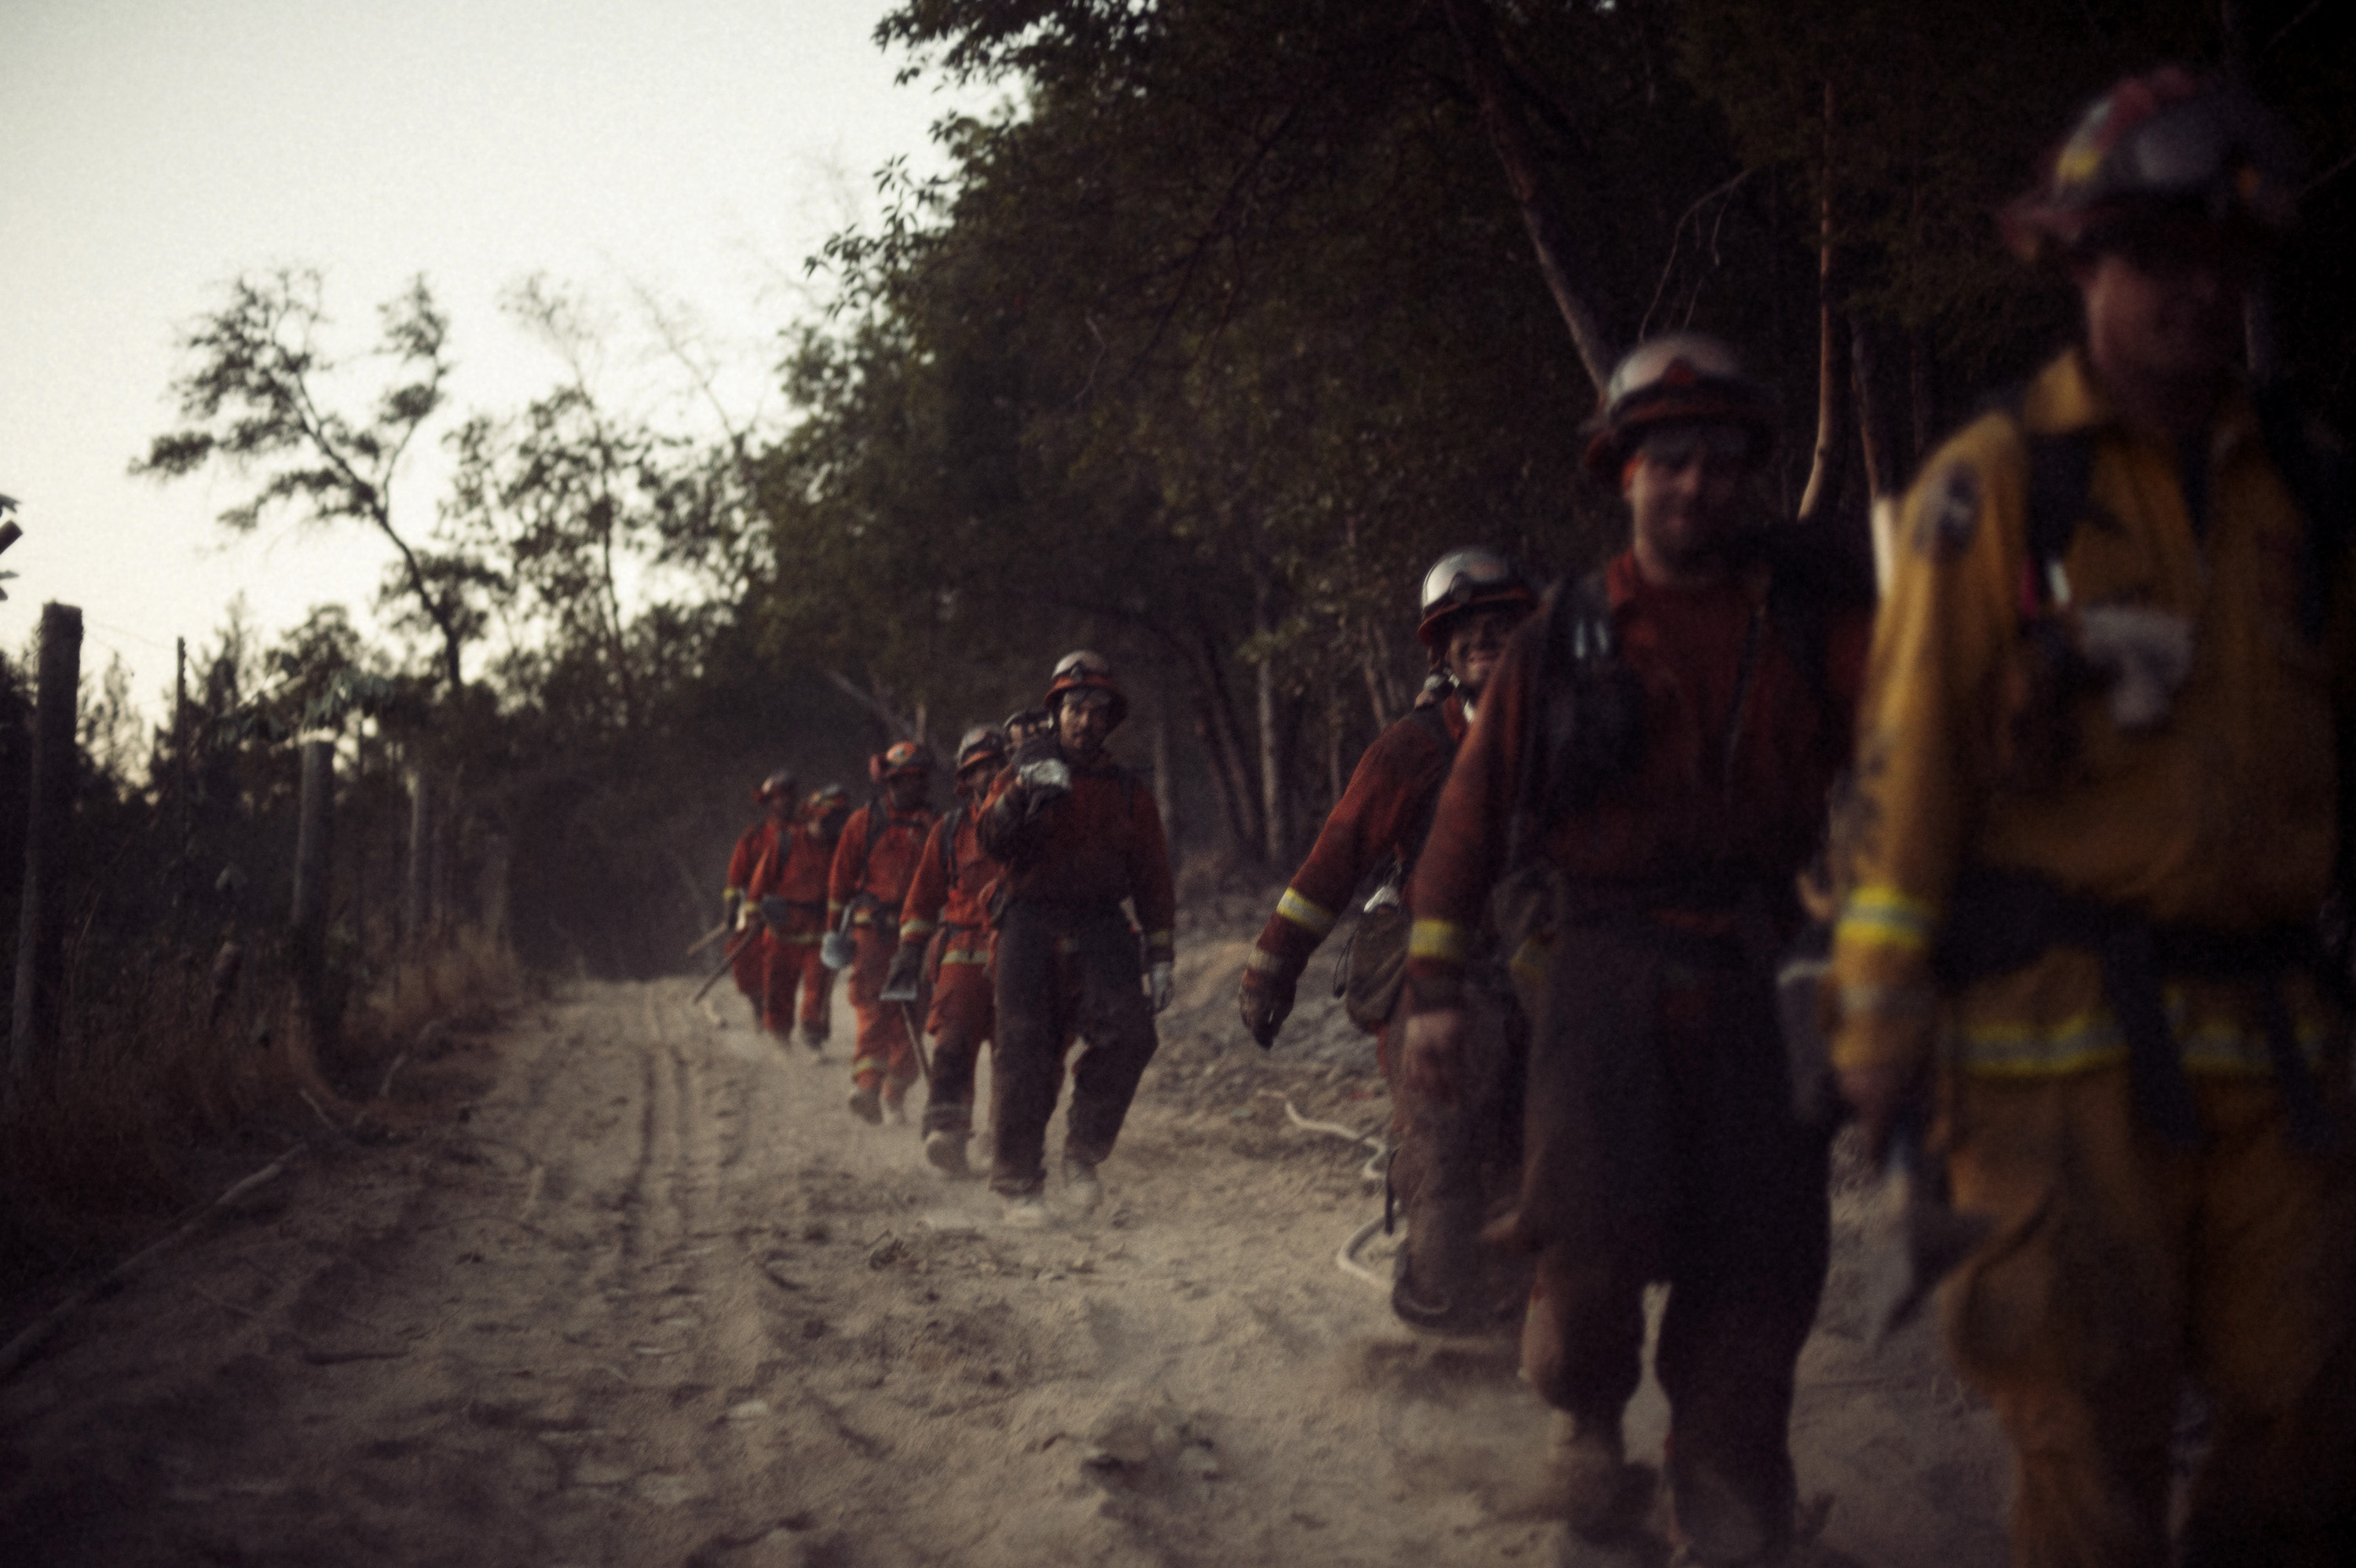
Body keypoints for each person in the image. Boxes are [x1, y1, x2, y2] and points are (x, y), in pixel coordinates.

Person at [1825, 70, 2354, 1567]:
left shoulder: (2310, 494)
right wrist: (1875, 1023)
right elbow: (1909, 763)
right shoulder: (1994, 488)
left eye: (2223, 262)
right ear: (2081, 264)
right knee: (2080, 1426)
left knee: (2311, 1412)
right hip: (2056, 1054)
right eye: (2156, 258)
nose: (2196, 294)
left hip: (2284, 1047)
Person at [1402, 334, 1869, 1562]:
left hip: (1767, 966)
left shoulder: (1818, 629)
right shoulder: (1564, 638)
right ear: (1623, 473)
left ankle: (1722, 1500)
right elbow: (1467, 816)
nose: (1696, 485)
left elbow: (1916, 768)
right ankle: (1587, 1425)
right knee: (1587, 1248)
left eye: (1720, 462)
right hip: (1601, 966)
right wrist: (1436, 987)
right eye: (1669, 461)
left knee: (1760, 1261)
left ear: (1748, 478)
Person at [1238, 547, 1539, 1334]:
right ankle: (1442, 1321)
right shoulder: (1412, 748)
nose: (1486, 639)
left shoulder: (1567, 740)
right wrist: (1273, 967)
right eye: (1467, 630)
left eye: (1504, 627)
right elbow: (1331, 861)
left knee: (1538, 1153)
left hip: (1545, 971)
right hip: (1440, 980)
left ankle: (1515, 1334)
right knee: (1445, 1145)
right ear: (1440, 650)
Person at [977, 652, 1177, 1225]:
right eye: (1074, 708)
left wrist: (1161, 957)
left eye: (1096, 710)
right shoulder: (1021, 770)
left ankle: (1083, 1154)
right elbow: (990, 839)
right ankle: (1019, 1183)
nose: (1085, 720)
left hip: (1100, 922)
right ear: (1055, 713)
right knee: (1023, 1050)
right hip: (1028, 918)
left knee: (1133, 1034)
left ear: (1111, 720)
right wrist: (1021, 792)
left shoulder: (1130, 792)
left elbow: (1154, 879)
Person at [891, 725, 1012, 1176]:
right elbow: (922, 901)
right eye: (980, 769)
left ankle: (1006, 1142)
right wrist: (908, 952)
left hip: (1020, 953)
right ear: (966, 780)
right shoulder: (949, 831)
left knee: (1016, 1053)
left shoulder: (1039, 824)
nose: (992, 775)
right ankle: (948, 1132)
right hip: (963, 950)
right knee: (954, 1042)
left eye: (999, 765)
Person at [828, 743, 938, 1124]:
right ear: (889, 780)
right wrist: (832, 932)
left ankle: (894, 1093)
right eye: (905, 779)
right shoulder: (863, 822)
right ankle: (867, 1086)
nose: (914, 786)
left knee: (915, 1014)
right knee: (872, 1009)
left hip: (920, 937)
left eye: (919, 778)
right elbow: (840, 883)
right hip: (871, 932)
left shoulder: (937, 826)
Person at [743, 781, 849, 1051]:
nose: (833, 826)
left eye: (837, 820)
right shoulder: (787, 842)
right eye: (828, 820)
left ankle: (812, 1036)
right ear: (813, 816)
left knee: (818, 985)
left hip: (820, 929)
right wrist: (754, 915)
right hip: (783, 929)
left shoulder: (842, 849)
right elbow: (759, 883)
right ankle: (780, 1041)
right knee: (779, 986)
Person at [723, 771, 798, 1027]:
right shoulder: (753, 837)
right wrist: (732, 909)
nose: (784, 802)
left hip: (797, 913)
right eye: (778, 797)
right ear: (768, 803)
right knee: (746, 960)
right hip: (756, 911)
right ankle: (759, 1011)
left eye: (788, 796)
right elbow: (736, 879)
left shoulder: (808, 835)